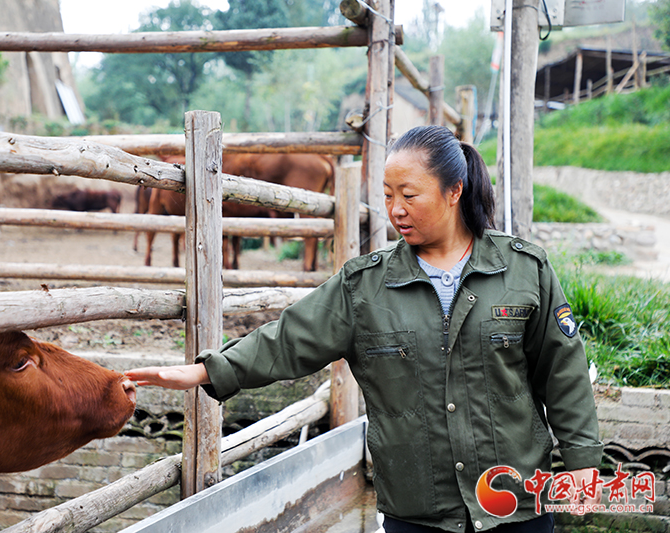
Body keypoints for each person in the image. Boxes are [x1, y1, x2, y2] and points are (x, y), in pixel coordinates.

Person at [126, 125, 603, 533]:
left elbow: (563, 370)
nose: (395, 209)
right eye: (388, 194)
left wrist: (582, 463)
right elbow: (288, 340)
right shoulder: (364, 287)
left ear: (454, 191)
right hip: (418, 511)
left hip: (514, 506)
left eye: (409, 195)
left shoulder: (524, 269)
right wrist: (205, 372)